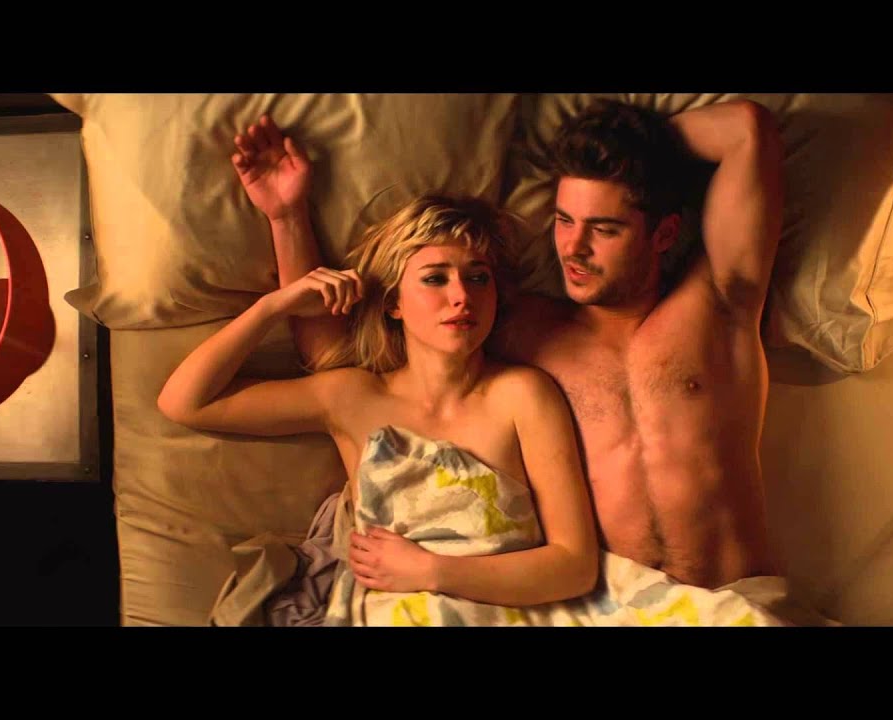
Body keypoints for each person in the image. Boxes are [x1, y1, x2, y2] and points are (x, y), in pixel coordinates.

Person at [156, 116, 600, 614]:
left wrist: (432, 571)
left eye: (478, 278)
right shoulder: (352, 397)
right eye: (435, 279)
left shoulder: (524, 394)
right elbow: (185, 403)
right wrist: (273, 307)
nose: (461, 296)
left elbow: (575, 565)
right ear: (393, 303)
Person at [488, 98, 786, 591]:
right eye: (564, 220)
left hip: (736, 604)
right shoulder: (525, 331)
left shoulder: (718, 302)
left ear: (664, 233)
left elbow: (746, 129)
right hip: (612, 611)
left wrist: (639, 151)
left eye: (605, 229)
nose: (573, 248)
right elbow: (396, 340)